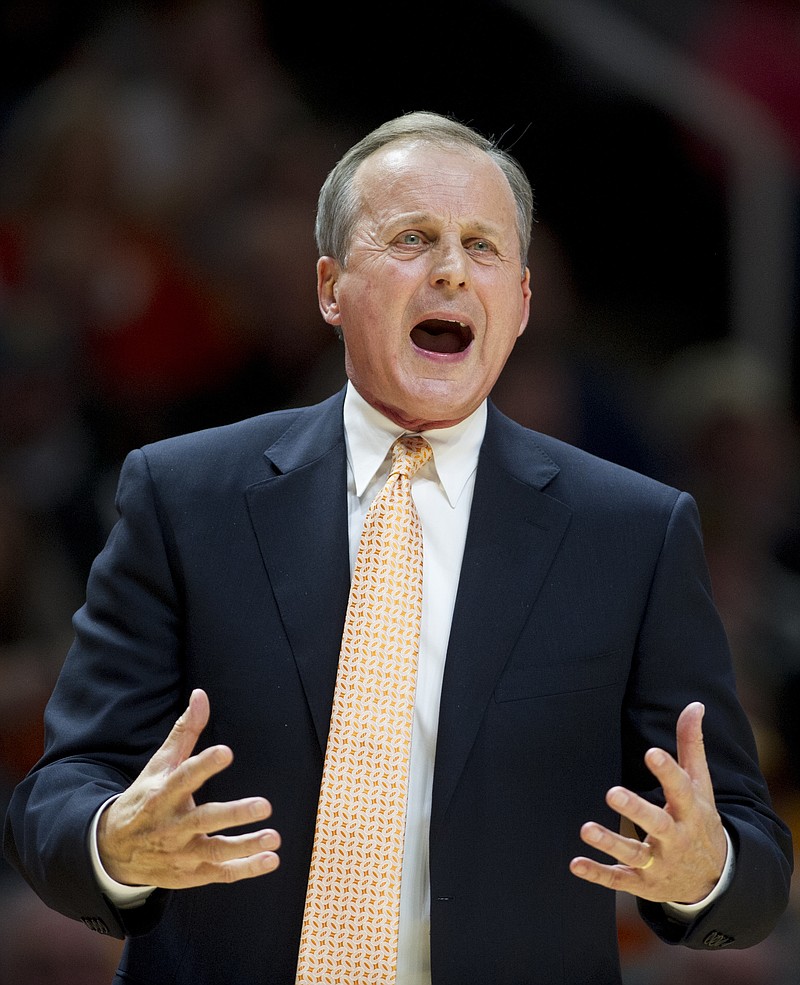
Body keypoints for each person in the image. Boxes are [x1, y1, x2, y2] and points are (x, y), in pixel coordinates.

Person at [3, 110, 793, 985]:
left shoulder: (632, 532)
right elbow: (57, 795)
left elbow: (752, 856)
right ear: (331, 286)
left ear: (522, 303)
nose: (452, 269)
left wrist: (703, 874)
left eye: (483, 247)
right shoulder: (184, 497)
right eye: (414, 238)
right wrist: (112, 838)